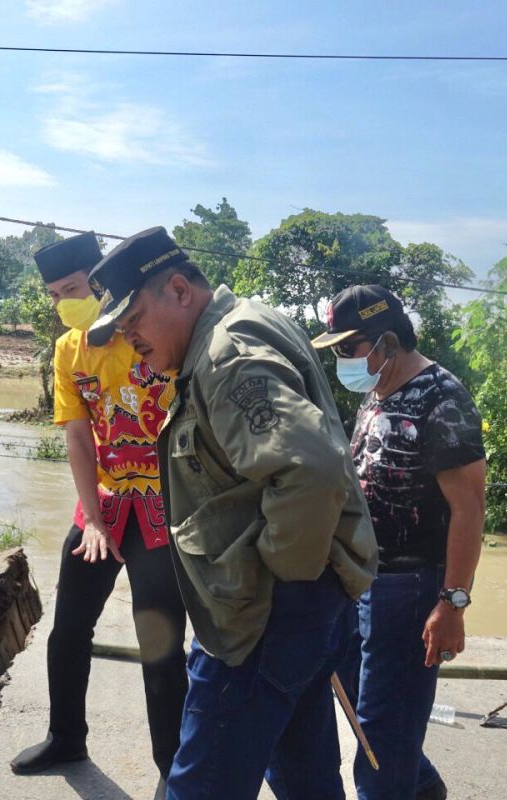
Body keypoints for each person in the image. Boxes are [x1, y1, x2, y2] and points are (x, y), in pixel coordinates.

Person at [87, 227, 378, 800]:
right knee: (304, 773)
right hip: (305, 607)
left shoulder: (226, 354)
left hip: (264, 617)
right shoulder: (238, 326)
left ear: (178, 289)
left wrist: (279, 577)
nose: (130, 338)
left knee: (202, 784)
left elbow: (311, 470)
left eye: (133, 319)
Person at [10, 232, 188, 794]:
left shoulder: (150, 332)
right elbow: (78, 436)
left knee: (160, 645)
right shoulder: (69, 349)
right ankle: (66, 735)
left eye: (73, 288)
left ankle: (172, 769)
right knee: (67, 631)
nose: (64, 301)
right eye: (54, 294)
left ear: (101, 281)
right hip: (104, 504)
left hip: (163, 508)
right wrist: (92, 517)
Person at [311, 285, 486, 800]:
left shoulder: (442, 398)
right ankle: (423, 786)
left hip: (409, 589)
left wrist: (452, 602)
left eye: (348, 347)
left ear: (386, 341)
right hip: (361, 580)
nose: (343, 359)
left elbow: (469, 508)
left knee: (383, 731)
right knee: (367, 712)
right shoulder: (377, 391)